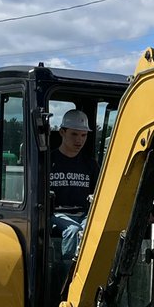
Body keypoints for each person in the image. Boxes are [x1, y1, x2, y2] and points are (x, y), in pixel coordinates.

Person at [50, 108, 99, 260]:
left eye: (83, 135)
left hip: (83, 214)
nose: (79, 140)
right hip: (56, 213)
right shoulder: (48, 162)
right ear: (62, 132)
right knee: (73, 230)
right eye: (74, 134)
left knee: (94, 229)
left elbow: (97, 191)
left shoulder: (90, 164)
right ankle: (66, 271)